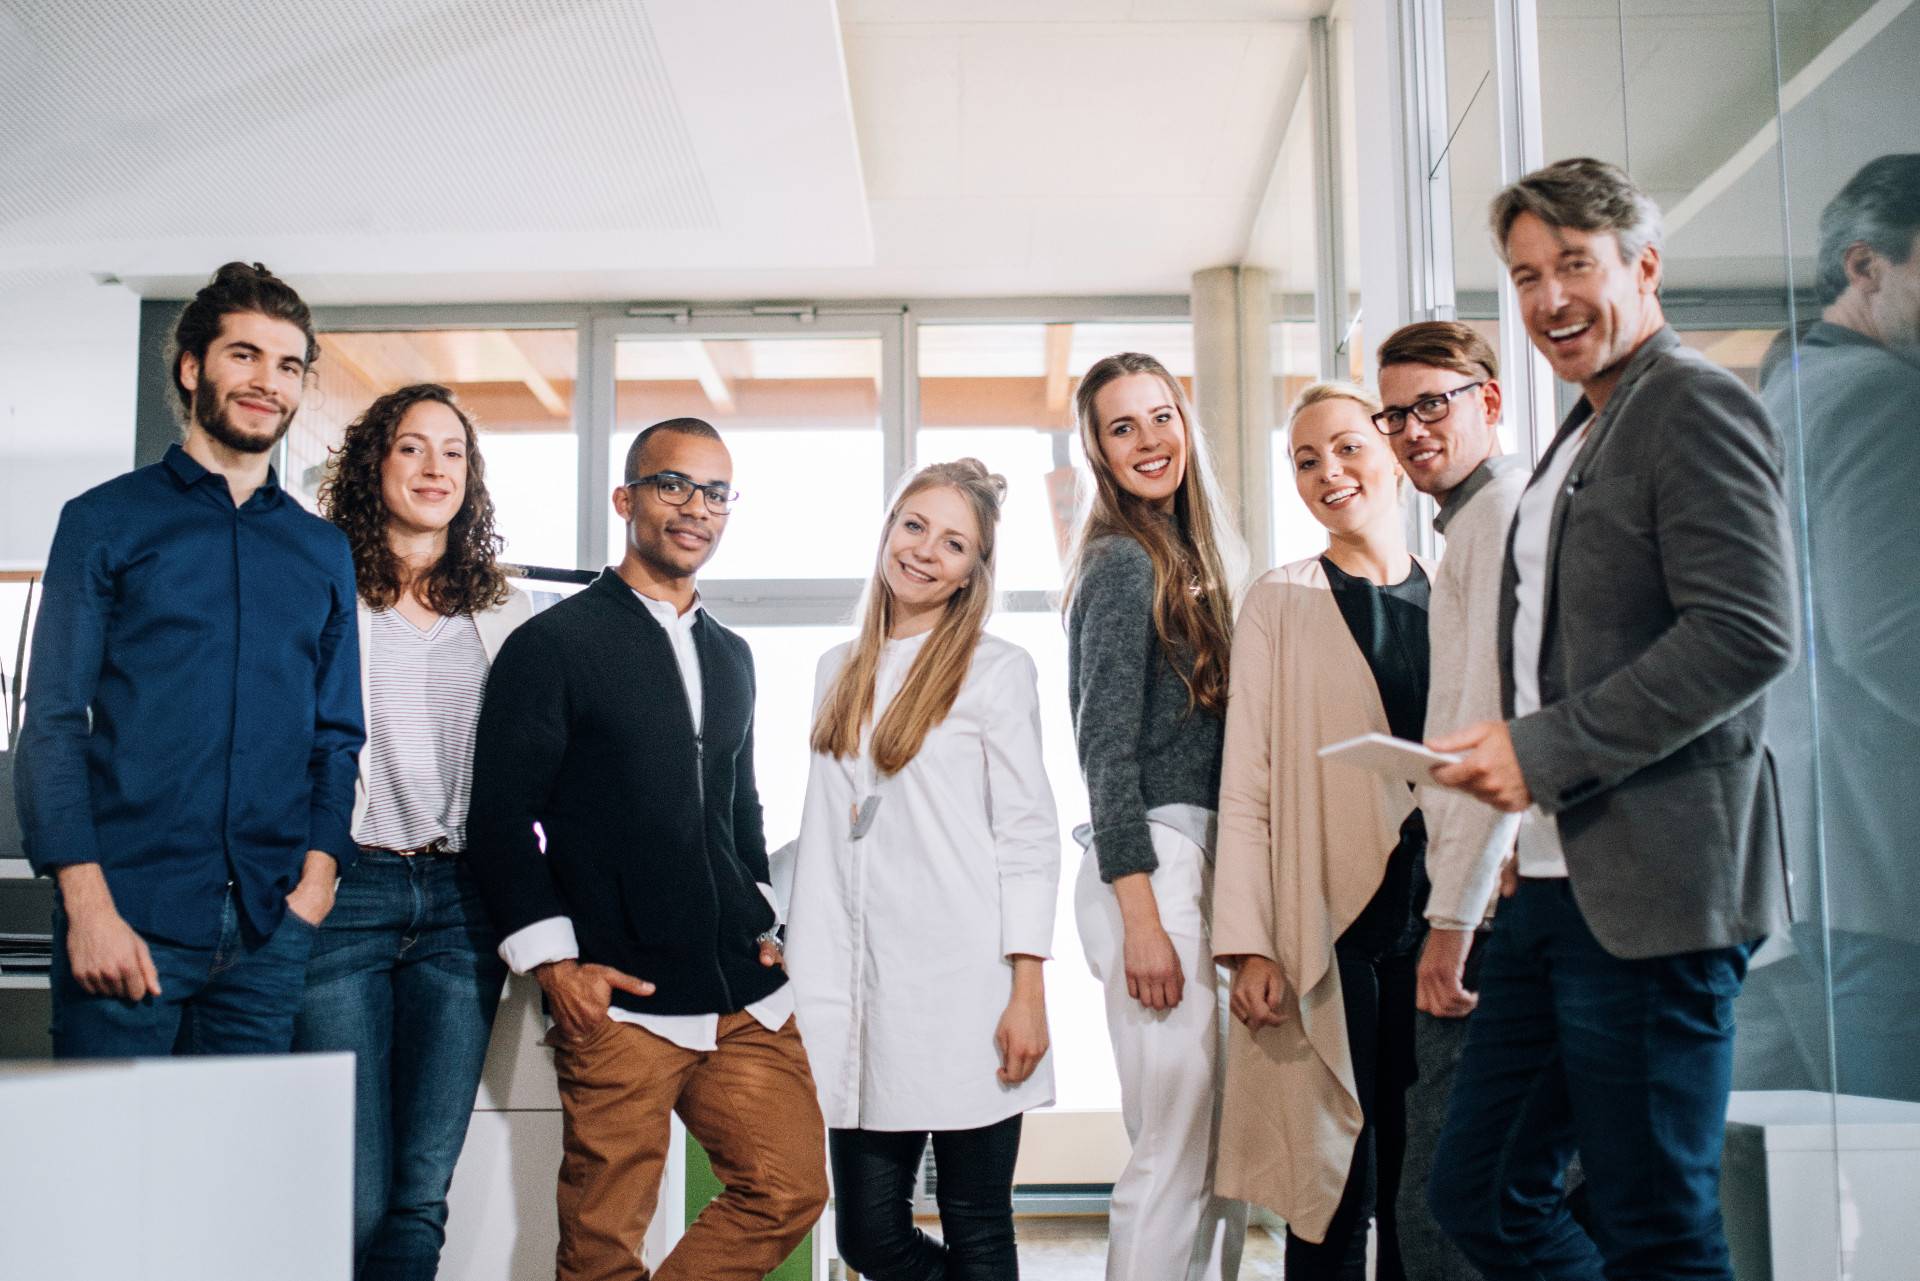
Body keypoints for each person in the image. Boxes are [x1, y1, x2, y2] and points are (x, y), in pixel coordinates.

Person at [1426, 157, 1796, 1281]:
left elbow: (1746, 633)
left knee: (1658, 1225)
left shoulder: (1691, 402)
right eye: (1526, 275)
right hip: (1552, 885)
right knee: (1479, 1194)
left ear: (1643, 266)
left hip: (1656, 895)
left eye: (1574, 266)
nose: (1549, 300)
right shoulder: (1584, 429)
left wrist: (1539, 754)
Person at [466, 418, 827, 1281]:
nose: (695, 508)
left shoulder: (732, 654)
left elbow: (740, 804)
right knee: (601, 1247)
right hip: (618, 994)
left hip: (741, 992)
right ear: (627, 499)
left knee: (788, 1188)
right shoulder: (553, 646)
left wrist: (764, 917)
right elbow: (500, 819)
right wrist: (557, 966)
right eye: (674, 485)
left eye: (715, 493)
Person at [15, 261, 362, 1058]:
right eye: (243, 355)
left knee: (235, 1182)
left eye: (287, 365)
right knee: (109, 1176)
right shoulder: (103, 521)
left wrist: (316, 881)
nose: (266, 382)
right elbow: (55, 725)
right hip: (126, 921)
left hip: (268, 934)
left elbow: (337, 734)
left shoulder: (321, 550)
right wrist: (88, 907)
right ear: (192, 366)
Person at [787, 458, 1060, 1281]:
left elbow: (1028, 835)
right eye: (914, 526)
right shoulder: (836, 668)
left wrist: (1028, 989)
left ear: (974, 569)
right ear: (887, 530)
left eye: (954, 542)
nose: (925, 552)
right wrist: (773, 915)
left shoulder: (997, 668)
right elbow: (831, 828)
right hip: (858, 996)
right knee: (867, 1236)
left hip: (968, 991)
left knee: (979, 1229)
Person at [292, 384, 533, 1280]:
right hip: (345, 892)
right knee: (347, 1193)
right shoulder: (321, 590)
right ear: (373, 464)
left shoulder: (506, 613)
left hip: (464, 907)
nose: (435, 467)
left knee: (420, 1192)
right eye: (411, 448)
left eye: (453, 452)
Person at [1214, 382, 1433, 1281]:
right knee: (1333, 1188)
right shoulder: (1280, 599)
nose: (1327, 472)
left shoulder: (1458, 591)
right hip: (1329, 928)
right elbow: (1247, 782)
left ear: (1391, 452)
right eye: (1305, 460)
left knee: (1424, 1190)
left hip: (1448, 929)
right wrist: (1250, 943)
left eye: (1345, 447)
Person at [1063, 351, 1247, 1281]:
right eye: (1122, 426)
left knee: (1217, 1160)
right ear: (1096, 448)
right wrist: (1141, 917)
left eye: (1161, 416)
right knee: (1173, 1154)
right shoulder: (1123, 562)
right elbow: (1103, 750)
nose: (1149, 440)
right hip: (1152, 870)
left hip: (1198, 864)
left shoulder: (1194, 558)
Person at [1740, 153, 1920, 1103]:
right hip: (1877, 879)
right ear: (1867, 266)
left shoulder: (1780, 403)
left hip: (1791, 886)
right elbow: (1894, 635)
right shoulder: (1880, 399)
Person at [1373, 321, 1528, 1279]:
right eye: (1397, 412)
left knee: (1446, 1191)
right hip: (1500, 896)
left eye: (1434, 402)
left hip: (1491, 913)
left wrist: (1451, 917)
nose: (1412, 429)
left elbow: (1493, 730)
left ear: (1491, 401)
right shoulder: (1472, 523)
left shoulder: (1500, 519)